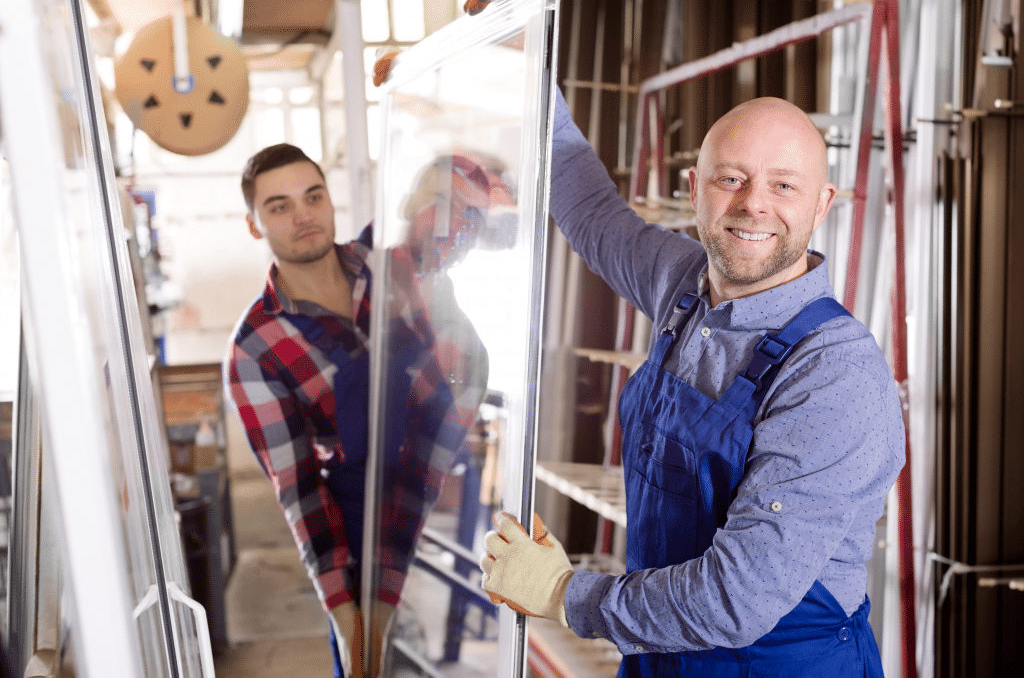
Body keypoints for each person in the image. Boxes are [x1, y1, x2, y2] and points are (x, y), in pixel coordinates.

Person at [477, 83, 906, 676]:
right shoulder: (684, 285)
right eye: (730, 178)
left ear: (821, 203)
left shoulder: (834, 376)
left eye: (784, 185)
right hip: (663, 653)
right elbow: (589, 208)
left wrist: (561, 594)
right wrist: (529, 63)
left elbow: (737, 599)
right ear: (695, 189)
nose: (753, 204)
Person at [224, 143, 491, 677]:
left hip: (431, 467)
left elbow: (452, 178)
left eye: (313, 196)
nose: (303, 215)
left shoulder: (387, 260)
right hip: (353, 517)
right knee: (368, 658)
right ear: (255, 225)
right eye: (279, 206)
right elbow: (299, 489)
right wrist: (350, 622)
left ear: (329, 201)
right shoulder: (256, 348)